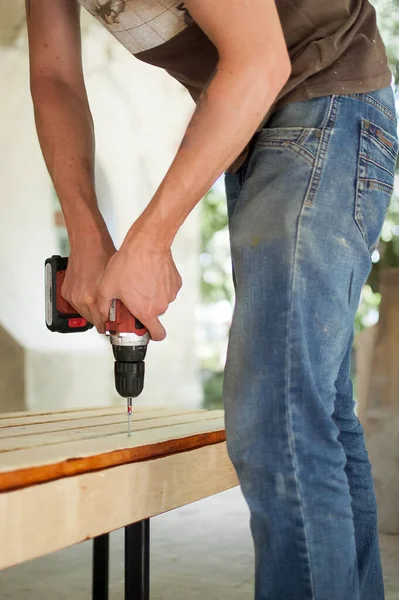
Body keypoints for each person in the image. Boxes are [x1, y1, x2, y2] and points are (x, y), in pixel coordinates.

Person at [26, 1, 398, 598]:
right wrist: (88, 234)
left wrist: (148, 241)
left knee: (277, 414)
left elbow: (259, 62)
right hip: (256, 125)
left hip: (321, 91)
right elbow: (54, 78)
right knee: (313, 411)